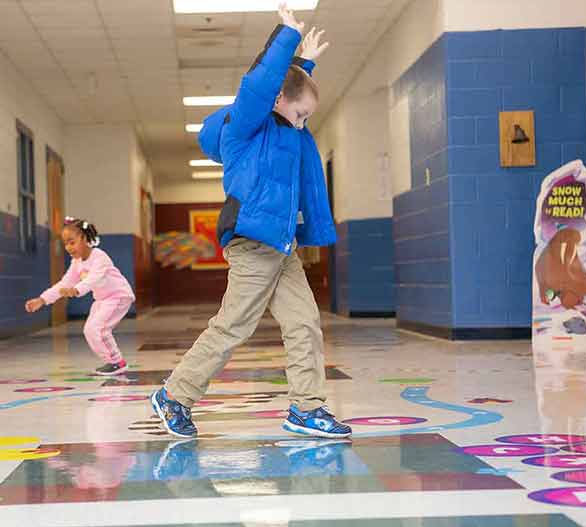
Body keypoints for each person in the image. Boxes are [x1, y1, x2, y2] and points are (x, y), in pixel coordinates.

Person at [150, 3, 351, 439]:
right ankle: (175, 395)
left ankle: (306, 408)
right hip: (251, 244)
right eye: (300, 115)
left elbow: (287, 93)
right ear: (278, 103)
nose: (303, 125)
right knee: (233, 325)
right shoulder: (243, 130)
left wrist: (304, 65)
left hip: (282, 247)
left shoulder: (286, 131)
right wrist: (286, 40)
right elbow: (263, 88)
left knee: (303, 323)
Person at [26, 216, 135, 376]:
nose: (68, 247)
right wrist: (42, 299)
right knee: (90, 330)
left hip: (118, 296)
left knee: (99, 328)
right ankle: (112, 361)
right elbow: (64, 284)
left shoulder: (99, 256)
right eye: (65, 243)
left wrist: (76, 290)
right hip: (102, 300)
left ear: (84, 238)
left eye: (72, 242)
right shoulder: (76, 263)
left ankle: (117, 362)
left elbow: (93, 279)